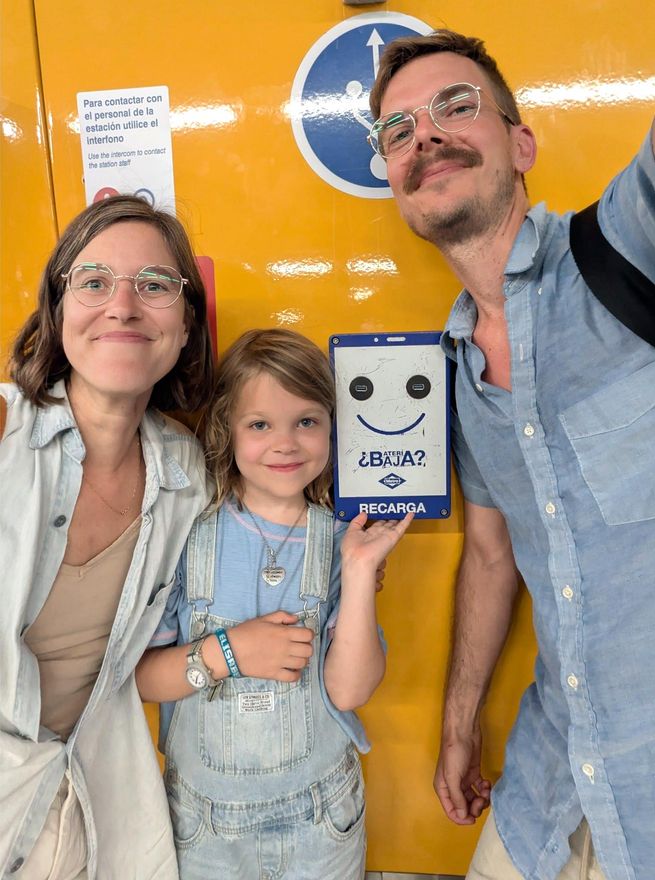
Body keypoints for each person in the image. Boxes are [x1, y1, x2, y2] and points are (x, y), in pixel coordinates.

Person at [368, 28, 655, 880]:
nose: (425, 137)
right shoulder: (453, 375)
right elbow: (493, 556)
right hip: (547, 783)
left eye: (455, 106)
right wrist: (460, 724)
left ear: (521, 143)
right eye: (398, 131)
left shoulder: (631, 247)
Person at [136, 328, 412, 879]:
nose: (285, 444)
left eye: (306, 421)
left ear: (335, 429)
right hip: (205, 826)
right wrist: (230, 652)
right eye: (260, 425)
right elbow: (141, 680)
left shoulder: (343, 539)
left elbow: (351, 689)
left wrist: (359, 573)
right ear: (227, 432)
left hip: (322, 819)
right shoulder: (187, 535)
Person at [0, 194, 215, 879]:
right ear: (58, 313)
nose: (122, 307)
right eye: (93, 283)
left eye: (154, 286)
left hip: (87, 796)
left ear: (185, 328)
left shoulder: (187, 473)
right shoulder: (4, 430)